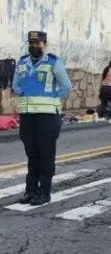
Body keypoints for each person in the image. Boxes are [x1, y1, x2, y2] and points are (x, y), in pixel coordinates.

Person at [12, 31, 72, 205]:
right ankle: (30, 191)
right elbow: (15, 84)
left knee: (46, 155)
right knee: (32, 155)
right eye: (32, 43)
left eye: (38, 43)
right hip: (27, 117)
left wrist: (53, 97)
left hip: (47, 117)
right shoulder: (22, 62)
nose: (34, 46)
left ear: (44, 44)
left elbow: (66, 86)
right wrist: (22, 93)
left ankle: (44, 192)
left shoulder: (53, 62)